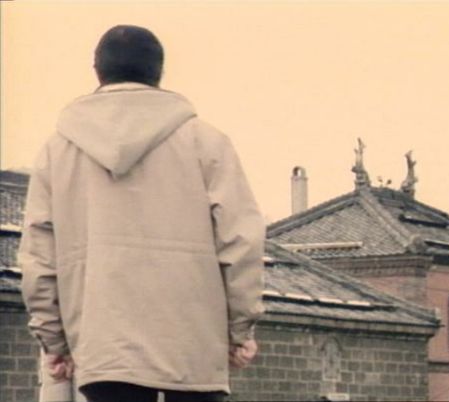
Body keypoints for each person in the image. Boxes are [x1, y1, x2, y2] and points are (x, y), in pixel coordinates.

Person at [19, 25, 265, 402]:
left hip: (104, 349)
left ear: (97, 71)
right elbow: (241, 241)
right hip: (193, 347)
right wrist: (239, 331)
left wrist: (54, 340)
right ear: (159, 71)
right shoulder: (207, 142)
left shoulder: (57, 150)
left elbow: (38, 256)